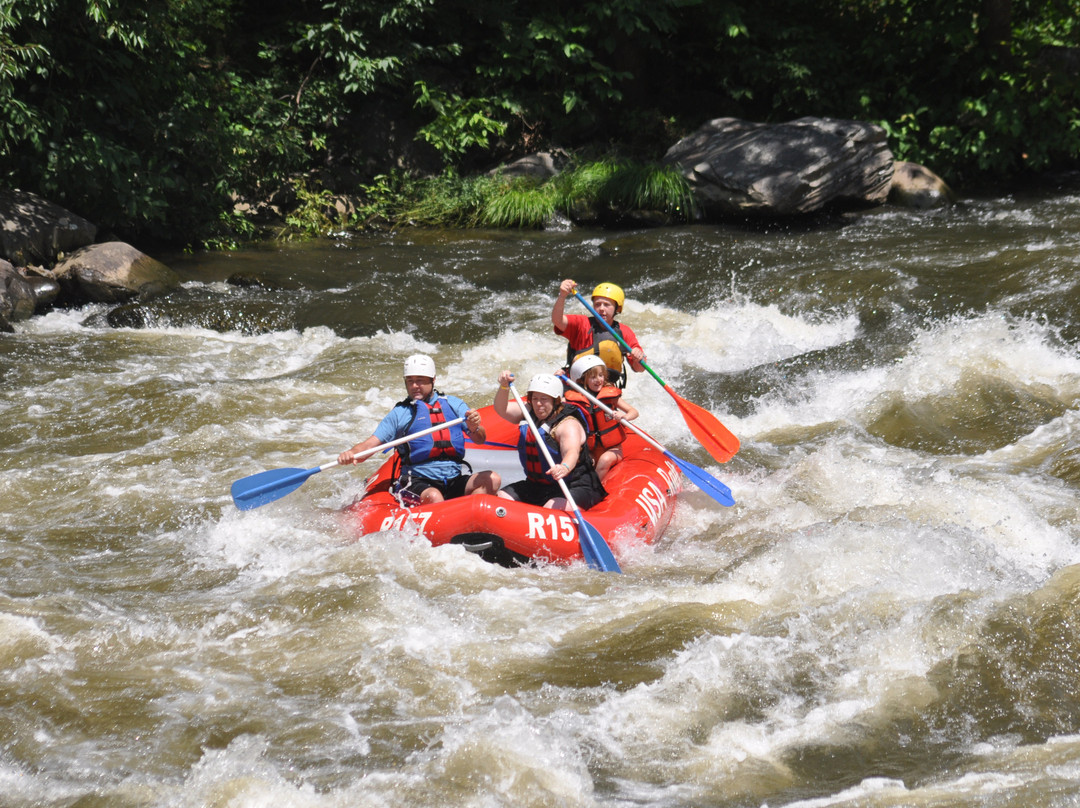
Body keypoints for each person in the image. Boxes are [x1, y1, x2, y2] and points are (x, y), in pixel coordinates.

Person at [338, 354, 500, 505]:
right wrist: (351, 454)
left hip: (452, 479)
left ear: (433, 380)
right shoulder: (401, 413)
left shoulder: (454, 404)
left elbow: (480, 438)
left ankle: (471, 521)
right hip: (417, 482)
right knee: (434, 497)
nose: (415, 386)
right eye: (410, 381)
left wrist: (474, 427)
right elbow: (369, 446)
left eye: (420, 380)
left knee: (493, 478)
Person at [492, 371, 607, 511]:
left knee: (550, 509)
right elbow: (501, 409)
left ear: (555, 400)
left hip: (575, 485)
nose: (539, 404)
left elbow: (572, 451)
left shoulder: (568, 424)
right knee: (502, 498)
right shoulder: (529, 411)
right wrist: (504, 387)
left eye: (544, 399)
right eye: (535, 399)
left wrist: (564, 467)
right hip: (537, 486)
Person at [551, 278, 646, 388]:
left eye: (606, 305)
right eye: (597, 304)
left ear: (617, 308)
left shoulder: (624, 331)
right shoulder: (582, 324)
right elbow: (557, 320)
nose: (601, 308)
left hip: (605, 388)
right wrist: (562, 296)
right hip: (578, 385)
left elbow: (640, 368)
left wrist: (638, 358)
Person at [563, 354, 639, 481]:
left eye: (601, 375)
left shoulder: (610, 396)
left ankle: (597, 489)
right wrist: (556, 378)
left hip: (613, 449)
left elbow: (634, 412)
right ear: (582, 380)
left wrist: (624, 416)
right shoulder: (574, 399)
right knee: (583, 462)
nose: (598, 380)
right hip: (591, 450)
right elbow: (555, 404)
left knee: (604, 460)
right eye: (592, 377)